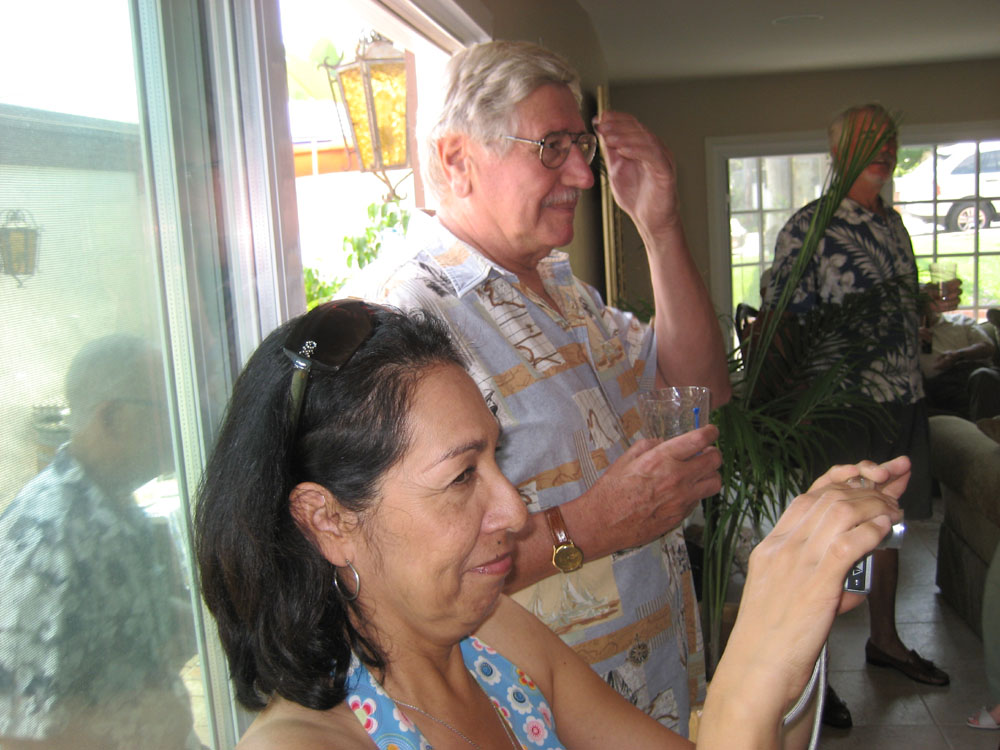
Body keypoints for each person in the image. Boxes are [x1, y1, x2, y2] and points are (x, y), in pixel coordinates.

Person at [194, 299, 908, 750]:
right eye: (461, 476)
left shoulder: (495, 644)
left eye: (495, 459)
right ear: (327, 521)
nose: (515, 511)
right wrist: (751, 667)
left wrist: (795, 629)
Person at [357, 40, 730, 734]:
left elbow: (701, 383)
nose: (584, 176)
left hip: (654, 688)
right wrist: (592, 523)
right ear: (456, 159)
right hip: (542, 718)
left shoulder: (563, 286)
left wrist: (660, 226)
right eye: (552, 147)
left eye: (580, 147)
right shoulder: (409, 318)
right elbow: (405, 570)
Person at [762, 103, 951, 729]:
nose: (885, 149)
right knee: (832, 540)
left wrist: (925, 305)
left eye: (890, 139)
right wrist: (786, 411)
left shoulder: (892, 224)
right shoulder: (810, 227)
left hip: (902, 396)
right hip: (839, 407)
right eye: (870, 139)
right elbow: (781, 319)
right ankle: (813, 677)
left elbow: (892, 309)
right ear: (839, 152)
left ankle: (885, 642)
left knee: (890, 526)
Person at [0, 335, 199, 750]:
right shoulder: (47, 541)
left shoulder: (114, 504)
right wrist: (143, 726)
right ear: (112, 418)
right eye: (165, 412)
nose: (178, 427)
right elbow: (14, 733)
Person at [919, 288, 1000, 421]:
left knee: (982, 376)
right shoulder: (905, 337)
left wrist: (957, 355)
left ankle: (984, 429)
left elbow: (988, 347)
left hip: (979, 375)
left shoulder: (960, 321)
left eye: (925, 302)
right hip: (944, 387)